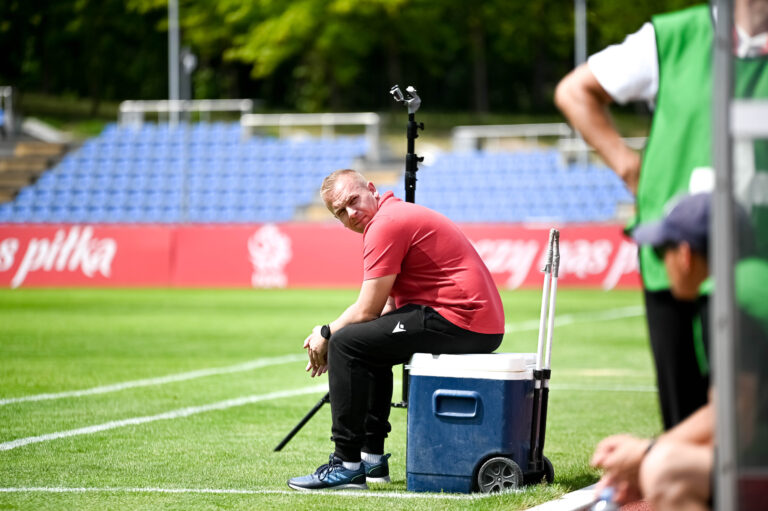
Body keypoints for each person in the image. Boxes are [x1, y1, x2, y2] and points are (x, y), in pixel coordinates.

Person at [555, 2, 768, 430]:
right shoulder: (673, 37)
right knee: (685, 423)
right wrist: (630, 168)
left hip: (755, 264)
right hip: (681, 261)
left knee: (750, 431)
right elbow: (574, 91)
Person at [287, 169, 505, 491]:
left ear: (371, 190)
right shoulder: (390, 216)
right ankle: (372, 461)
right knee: (365, 343)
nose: (350, 214)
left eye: (353, 201)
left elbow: (366, 309)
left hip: (462, 318)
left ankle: (346, 465)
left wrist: (325, 332)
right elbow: (385, 309)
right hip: (469, 319)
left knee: (346, 344)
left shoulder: (385, 224)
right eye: (340, 213)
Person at [590, 193, 768, 510]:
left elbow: (734, 415)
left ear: (684, 254)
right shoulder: (755, 280)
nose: (662, 263)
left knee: (668, 471)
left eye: (661, 251)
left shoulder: (725, 294)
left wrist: (645, 453)